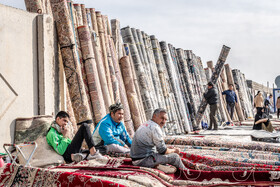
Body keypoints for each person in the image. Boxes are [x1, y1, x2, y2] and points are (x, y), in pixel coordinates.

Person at [130, 108, 187, 173]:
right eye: (162, 118)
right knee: (175, 157)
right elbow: (162, 151)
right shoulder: (155, 128)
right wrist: (175, 150)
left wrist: (168, 149)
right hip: (143, 161)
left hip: (136, 159)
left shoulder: (146, 123)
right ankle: (186, 173)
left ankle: (159, 166)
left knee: (167, 154)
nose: (163, 121)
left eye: (165, 119)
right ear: (154, 116)